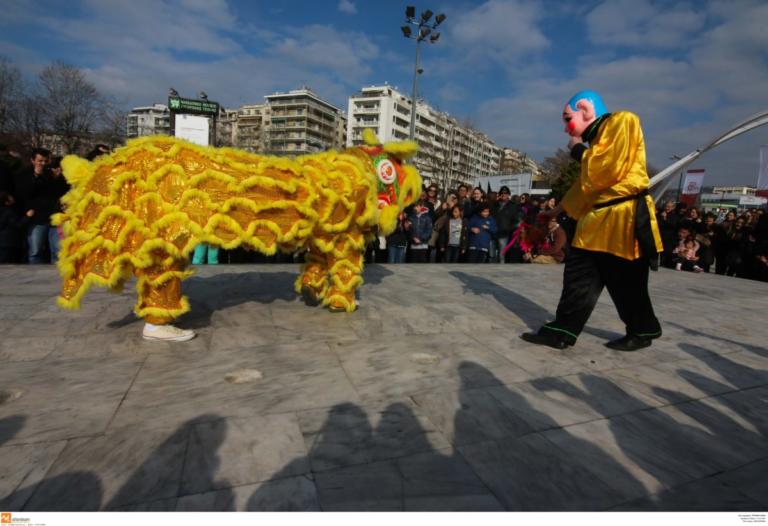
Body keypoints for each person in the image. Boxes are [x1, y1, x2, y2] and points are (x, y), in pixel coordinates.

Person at [522, 90, 663, 352]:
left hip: (623, 217)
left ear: (586, 110)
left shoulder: (623, 120)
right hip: (595, 219)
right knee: (578, 276)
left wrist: (577, 149)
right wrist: (556, 211)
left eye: (567, 119)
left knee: (627, 281)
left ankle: (642, 329)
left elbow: (606, 171)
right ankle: (563, 330)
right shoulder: (596, 145)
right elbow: (585, 186)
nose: (566, 128)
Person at [492, 185, 518, 263]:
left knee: (501, 255)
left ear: (508, 194)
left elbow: (516, 221)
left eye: (505, 193)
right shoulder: (495, 204)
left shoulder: (513, 206)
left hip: (504, 234)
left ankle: (500, 272)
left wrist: (509, 229)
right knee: (491, 255)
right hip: (493, 232)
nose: (503, 195)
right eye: (502, 193)